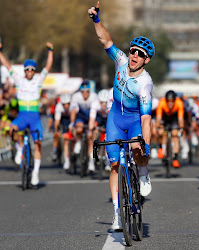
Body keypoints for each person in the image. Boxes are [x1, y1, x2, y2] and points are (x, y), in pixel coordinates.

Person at [88, 1, 153, 231]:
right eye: (133, 50)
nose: (134, 55)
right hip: (115, 117)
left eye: (140, 54)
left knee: (137, 149)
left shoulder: (145, 84)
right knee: (114, 164)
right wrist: (96, 19)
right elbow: (105, 40)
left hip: (135, 119)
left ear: (146, 60)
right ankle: (117, 213)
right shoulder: (121, 60)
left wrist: (145, 143)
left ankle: (143, 172)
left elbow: (146, 119)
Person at [0, 41, 54, 186]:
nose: (29, 71)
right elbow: (7, 65)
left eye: (32, 69)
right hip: (22, 115)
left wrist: (50, 50)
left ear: (34, 71)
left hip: (35, 117)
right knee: (12, 129)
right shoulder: (18, 79)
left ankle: (35, 172)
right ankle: (19, 150)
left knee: (38, 144)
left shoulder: (38, 80)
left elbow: (48, 66)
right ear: (24, 71)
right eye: (27, 69)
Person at [69, 80, 99, 173]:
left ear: (89, 91)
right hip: (81, 115)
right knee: (79, 128)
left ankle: (91, 162)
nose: (85, 93)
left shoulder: (94, 97)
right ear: (80, 92)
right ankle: (78, 141)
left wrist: (91, 127)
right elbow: (73, 111)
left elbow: (93, 113)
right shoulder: (76, 97)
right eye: (83, 92)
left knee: (91, 137)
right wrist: (72, 123)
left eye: (87, 91)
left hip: (91, 115)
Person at [156, 90, 184, 167]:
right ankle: (161, 148)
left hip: (174, 118)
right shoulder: (162, 102)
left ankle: (175, 158)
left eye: (172, 101)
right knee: (161, 132)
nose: (170, 103)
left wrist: (181, 128)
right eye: (168, 101)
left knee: (175, 135)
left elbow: (180, 118)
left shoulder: (179, 103)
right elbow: (158, 117)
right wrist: (158, 127)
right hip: (164, 118)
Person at [53, 93, 72, 170]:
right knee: (57, 135)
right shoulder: (58, 107)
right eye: (64, 104)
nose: (66, 106)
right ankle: (55, 150)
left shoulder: (73, 106)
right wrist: (57, 130)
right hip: (62, 120)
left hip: (70, 119)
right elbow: (57, 121)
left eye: (68, 104)